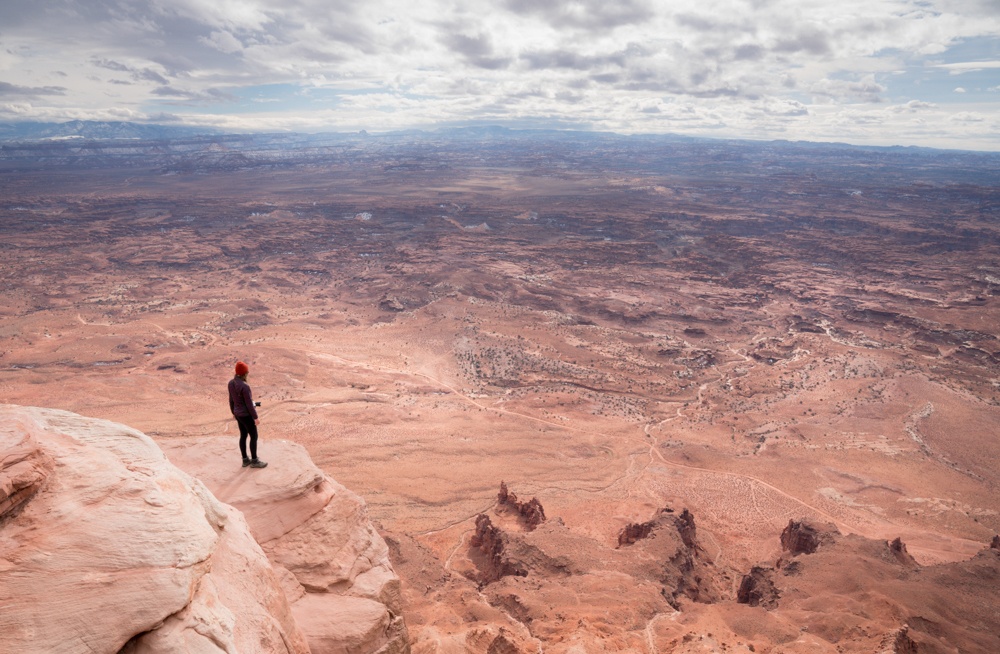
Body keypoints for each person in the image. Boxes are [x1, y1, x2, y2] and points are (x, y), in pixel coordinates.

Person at [228, 361, 267, 468]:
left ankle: (245, 460)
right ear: (244, 373)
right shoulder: (244, 386)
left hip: (239, 415)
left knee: (243, 436)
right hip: (246, 415)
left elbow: (231, 400)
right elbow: (249, 404)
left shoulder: (231, 383)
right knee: (253, 436)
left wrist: (233, 412)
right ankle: (254, 461)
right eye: (247, 372)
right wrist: (255, 417)